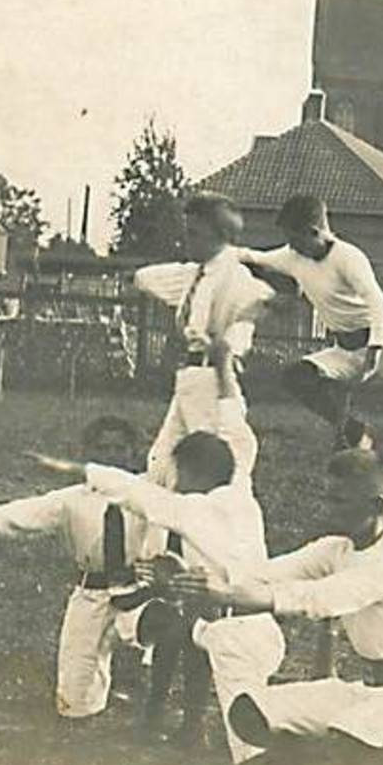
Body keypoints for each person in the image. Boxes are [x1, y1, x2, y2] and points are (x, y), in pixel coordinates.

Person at [173, 449, 383, 765]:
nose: (326, 507)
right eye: (326, 495)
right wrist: (197, 581)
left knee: (349, 739)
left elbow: (318, 598)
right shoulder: (335, 549)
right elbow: (265, 573)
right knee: (249, 713)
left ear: (376, 505)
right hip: (370, 691)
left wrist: (228, 596)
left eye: (338, 499)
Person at [81, 342, 285, 762]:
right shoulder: (237, 467)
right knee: (189, 635)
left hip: (239, 618)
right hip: (225, 601)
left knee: (220, 682)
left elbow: (142, 497)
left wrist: (82, 472)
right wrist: (225, 363)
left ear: (193, 473)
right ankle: (180, 721)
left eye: (179, 473)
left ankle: (194, 725)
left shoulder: (199, 507)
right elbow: (232, 411)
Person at [0, 416, 146, 719]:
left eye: (119, 448)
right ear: (88, 454)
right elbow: (20, 515)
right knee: (73, 698)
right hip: (93, 592)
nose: (111, 456)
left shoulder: (148, 493)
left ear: (133, 452)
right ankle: (89, 713)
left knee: (170, 640)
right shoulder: (72, 499)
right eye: (102, 449)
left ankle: (164, 713)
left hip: (142, 591)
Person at [130, 192, 275, 552]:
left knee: (220, 471)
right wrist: (133, 276)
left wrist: (228, 350)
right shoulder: (195, 273)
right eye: (187, 231)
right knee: (160, 462)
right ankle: (151, 550)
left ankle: (234, 546)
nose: (187, 239)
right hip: (190, 380)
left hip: (214, 380)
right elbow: (148, 278)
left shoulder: (236, 277)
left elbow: (253, 312)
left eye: (195, 233)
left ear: (219, 234)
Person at [237, 195, 383, 449]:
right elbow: (255, 257)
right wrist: (219, 251)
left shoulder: (349, 257)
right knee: (296, 377)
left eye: (295, 240)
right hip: (346, 350)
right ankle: (355, 433)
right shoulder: (293, 256)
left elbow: (380, 307)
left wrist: (374, 351)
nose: (291, 247)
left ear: (314, 232)